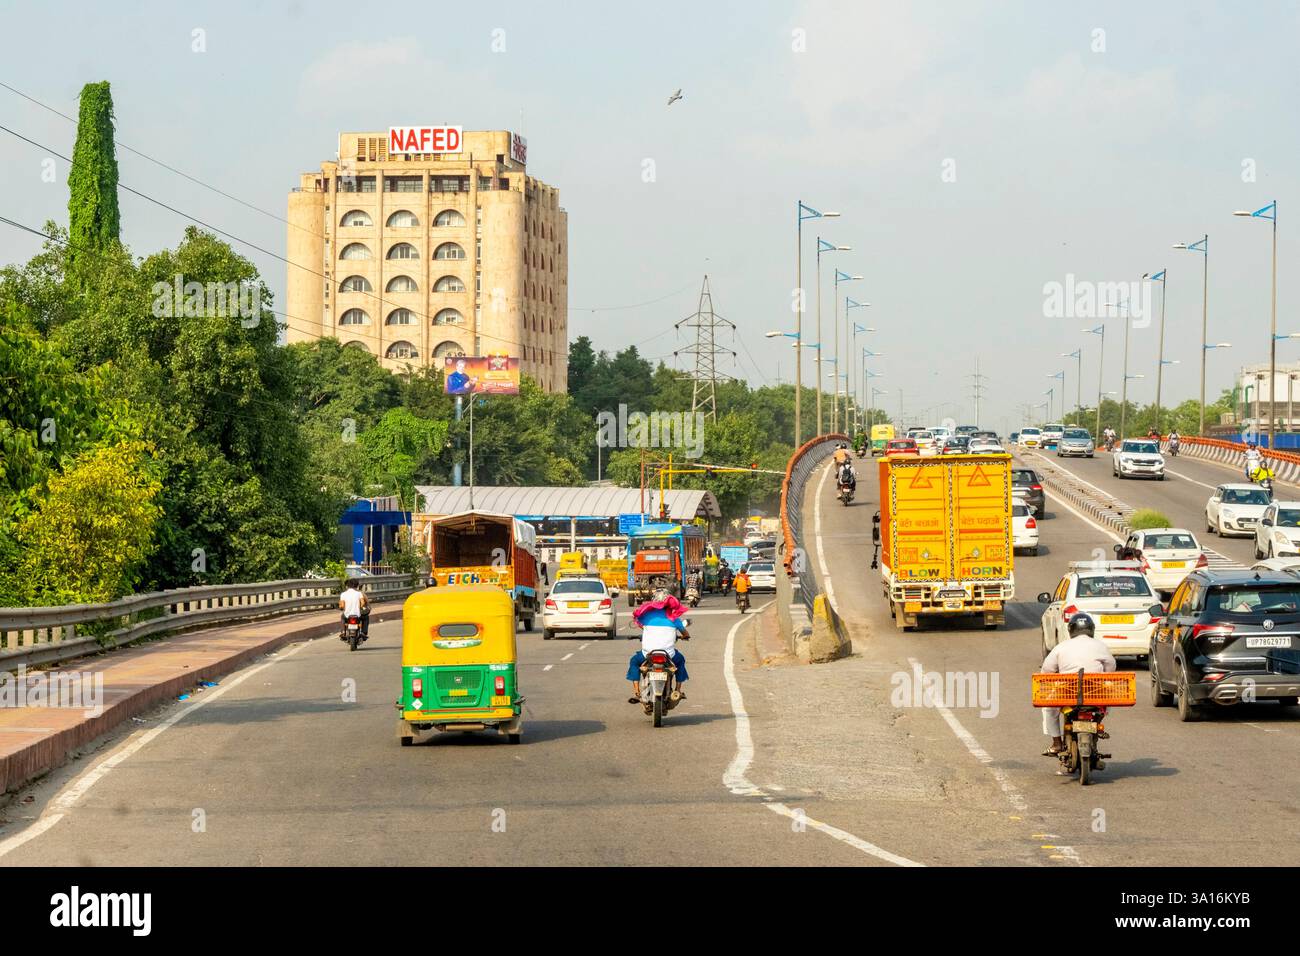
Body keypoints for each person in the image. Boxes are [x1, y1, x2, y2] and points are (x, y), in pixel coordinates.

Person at [1040, 613, 1116, 756]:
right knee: (1109, 695)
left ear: (1071, 630)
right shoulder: (1100, 646)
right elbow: (1111, 666)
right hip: (1095, 692)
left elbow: (1047, 669)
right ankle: (1098, 721)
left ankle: (1056, 743)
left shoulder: (1061, 646)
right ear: (1091, 629)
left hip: (1067, 692)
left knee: (1049, 708)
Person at [626, 589, 691, 703]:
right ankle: (677, 690)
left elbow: (640, 624)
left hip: (648, 654)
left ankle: (637, 693)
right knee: (680, 661)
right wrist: (684, 636)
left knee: (634, 662)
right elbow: (685, 633)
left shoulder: (646, 616)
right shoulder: (674, 618)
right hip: (669, 655)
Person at [339, 578, 371, 642]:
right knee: (365, 617)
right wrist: (361, 607)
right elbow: (363, 603)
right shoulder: (359, 593)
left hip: (347, 615)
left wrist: (342, 608)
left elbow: (342, 606)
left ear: (347, 586)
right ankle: (363, 632)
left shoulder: (343, 594)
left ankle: (343, 632)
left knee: (342, 617)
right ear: (357, 585)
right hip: (357, 614)